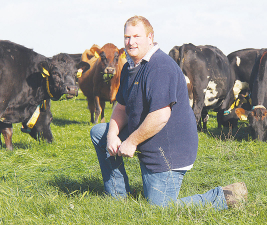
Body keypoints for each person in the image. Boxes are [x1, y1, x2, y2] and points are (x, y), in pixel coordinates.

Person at [90, 15, 248, 208]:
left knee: (161, 208)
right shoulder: (129, 67)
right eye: (127, 37)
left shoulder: (160, 67)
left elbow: (160, 117)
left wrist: (131, 142)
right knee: (100, 133)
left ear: (150, 37)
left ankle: (225, 196)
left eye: (136, 36)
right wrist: (113, 136)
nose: (131, 42)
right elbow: (121, 107)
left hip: (168, 150)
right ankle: (119, 197)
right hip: (147, 137)